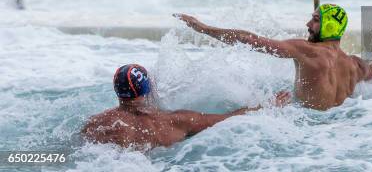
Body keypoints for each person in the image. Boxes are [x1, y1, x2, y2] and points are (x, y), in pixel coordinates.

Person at [176, 4, 372, 111]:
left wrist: (203, 28)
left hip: (306, 129)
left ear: (329, 26)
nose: (308, 24)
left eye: (315, 20)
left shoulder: (307, 51)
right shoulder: (355, 65)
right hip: (336, 129)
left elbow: (251, 40)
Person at [82, 64, 290, 149]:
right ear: (147, 89)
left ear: (117, 90)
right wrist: (268, 105)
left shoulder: (98, 123)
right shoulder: (175, 120)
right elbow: (230, 118)